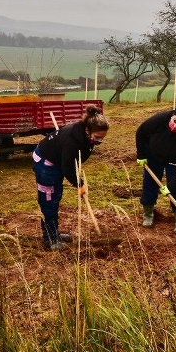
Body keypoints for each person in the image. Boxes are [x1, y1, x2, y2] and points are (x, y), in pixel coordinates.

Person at [33, 105, 109, 251]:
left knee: (56, 196)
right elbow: (67, 167)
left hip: (57, 162)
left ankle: (54, 232)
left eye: (102, 138)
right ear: (88, 130)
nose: (99, 141)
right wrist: (79, 184)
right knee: (49, 200)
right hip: (45, 163)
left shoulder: (85, 135)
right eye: (98, 138)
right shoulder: (72, 140)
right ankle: (50, 239)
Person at [136, 106, 176, 234]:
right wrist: (141, 155)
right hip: (153, 155)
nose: (175, 126)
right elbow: (140, 132)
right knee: (150, 183)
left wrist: (172, 185)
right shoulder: (159, 119)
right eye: (175, 122)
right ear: (172, 116)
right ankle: (148, 214)